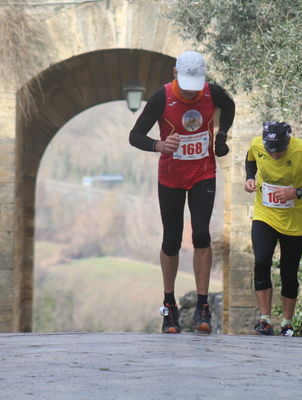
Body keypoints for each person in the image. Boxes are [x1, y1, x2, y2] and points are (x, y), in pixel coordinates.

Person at [129, 50, 235, 334]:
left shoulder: (212, 93)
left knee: (201, 233)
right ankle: (169, 306)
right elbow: (135, 136)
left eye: (195, 88)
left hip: (203, 174)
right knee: (172, 239)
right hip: (171, 178)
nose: (191, 94)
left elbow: (230, 106)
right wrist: (158, 145)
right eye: (187, 88)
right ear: (175, 74)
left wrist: (222, 137)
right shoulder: (162, 97)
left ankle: (203, 306)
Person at [244, 121, 302, 336]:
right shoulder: (257, 145)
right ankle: (265, 320)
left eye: (280, 151)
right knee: (262, 261)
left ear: (288, 143)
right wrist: (249, 178)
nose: (275, 156)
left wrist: (297, 193)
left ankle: (287, 323)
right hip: (264, 215)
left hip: (294, 221)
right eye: (270, 151)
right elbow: (250, 160)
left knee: (289, 271)